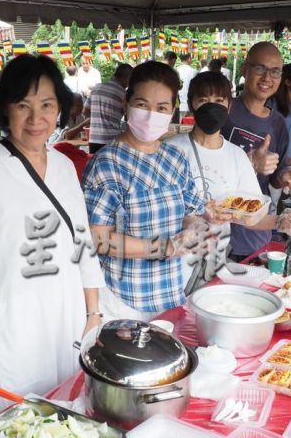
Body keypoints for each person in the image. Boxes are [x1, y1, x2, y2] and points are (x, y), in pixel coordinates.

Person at [0, 56, 104, 420]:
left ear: (60, 108)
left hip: (66, 327)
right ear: (4, 110)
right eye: (22, 106)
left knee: (70, 429)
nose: (35, 118)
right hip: (6, 339)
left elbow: (82, 244)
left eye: (46, 105)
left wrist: (92, 313)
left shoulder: (62, 166)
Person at [83, 61, 210, 320]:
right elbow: (99, 239)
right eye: (142, 105)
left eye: (162, 108)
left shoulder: (175, 158)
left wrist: (195, 231)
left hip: (172, 292)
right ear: (126, 104)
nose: (152, 115)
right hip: (123, 302)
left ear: (173, 110)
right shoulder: (107, 164)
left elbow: (191, 213)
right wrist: (164, 247)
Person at [169, 72, 291, 272]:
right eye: (203, 100)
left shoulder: (237, 156)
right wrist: (195, 218)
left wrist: (281, 221)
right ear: (191, 105)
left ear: (229, 106)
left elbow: (249, 217)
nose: (212, 106)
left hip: (212, 264)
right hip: (171, 262)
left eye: (219, 100)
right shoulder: (170, 150)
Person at [222, 42, 291, 260]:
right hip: (219, 227)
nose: (267, 78)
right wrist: (250, 165)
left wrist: (286, 176)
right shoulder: (225, 110)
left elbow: (274, 181)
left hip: (255, 230)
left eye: (275, 71)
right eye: (260, 69)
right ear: (245, 69)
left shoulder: (277, 123)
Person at [84, 63, 132, 153]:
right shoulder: (123, 95)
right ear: (127, 77)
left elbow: (85, 111)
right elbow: (128, 119)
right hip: (111, 140)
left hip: (94, 139)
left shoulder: (97, 88)